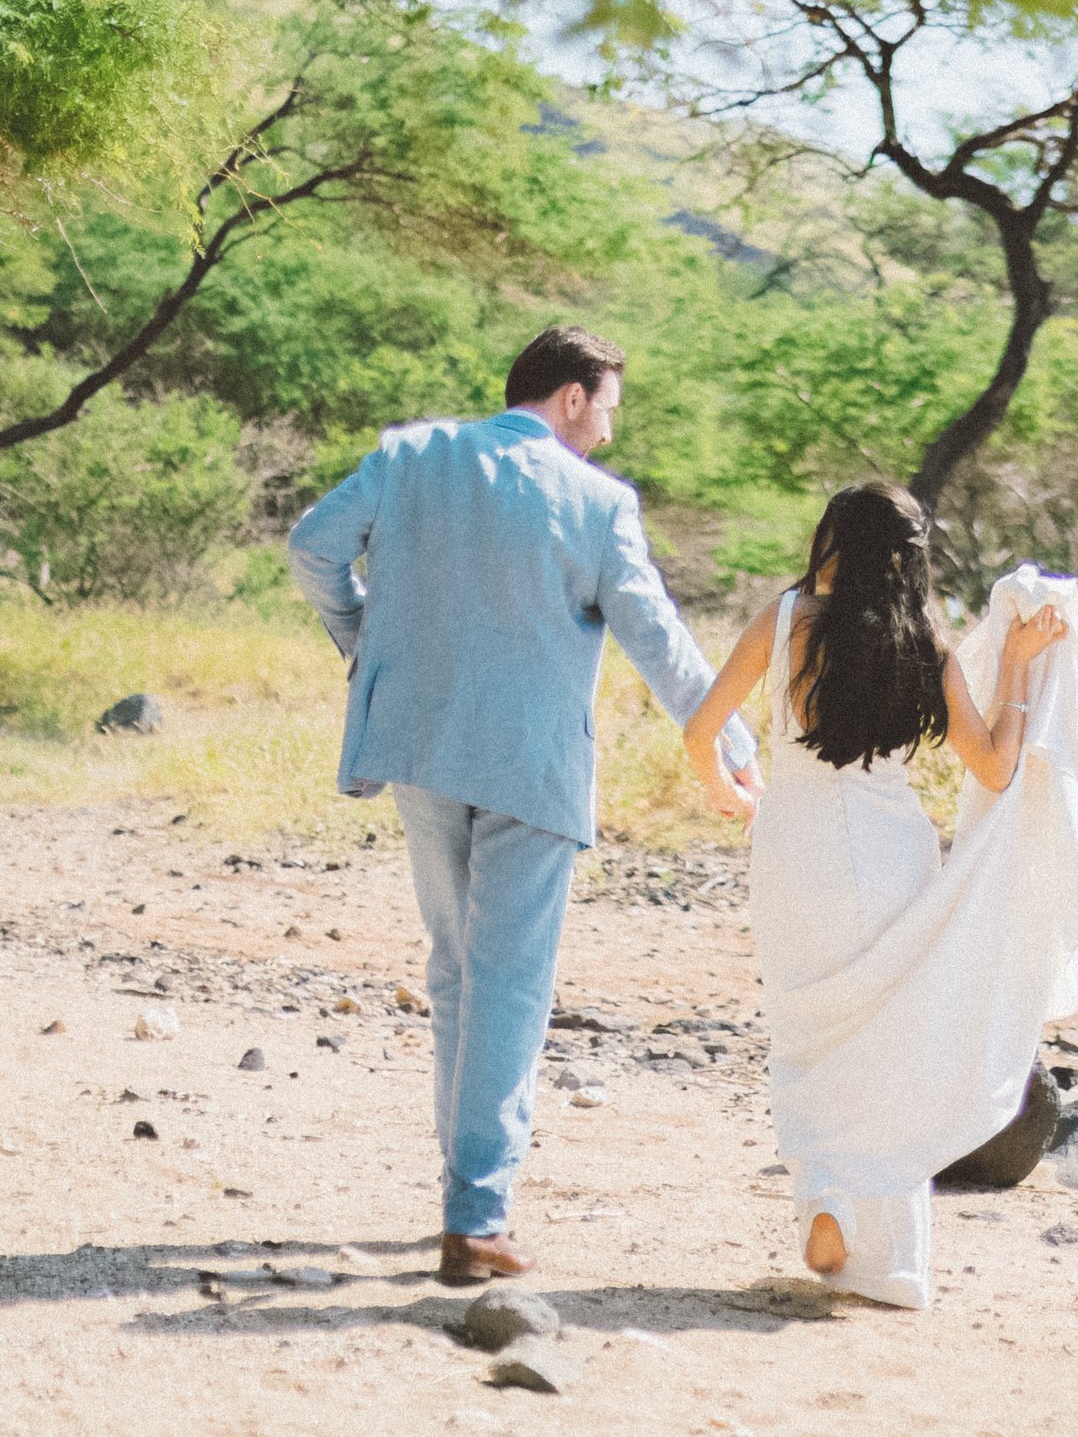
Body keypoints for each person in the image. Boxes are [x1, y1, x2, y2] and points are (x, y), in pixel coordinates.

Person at [286, 325, 759, 1287]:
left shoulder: (409, 453)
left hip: (418, 745)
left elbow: (310, 549)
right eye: (609, 410)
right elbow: (658, 639)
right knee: (507, 981)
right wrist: (732, 748)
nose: (610, 435)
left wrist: (363, 636)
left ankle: (466, 1193)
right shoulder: (596, 501)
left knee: (459, 969)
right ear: (573, 397)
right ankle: (476, 1215)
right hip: (531, 766)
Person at [684, 483, 1074, 1306]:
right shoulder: (919, 639)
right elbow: (996, 768)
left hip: (793, 849)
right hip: (890, 850)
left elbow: (701, 726)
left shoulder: (787, 617)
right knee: (890, 1037)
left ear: (831, 537)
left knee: (806, 1025)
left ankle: (824, 1187)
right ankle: (884, 1256)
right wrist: (1014, 663)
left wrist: (725, 787)